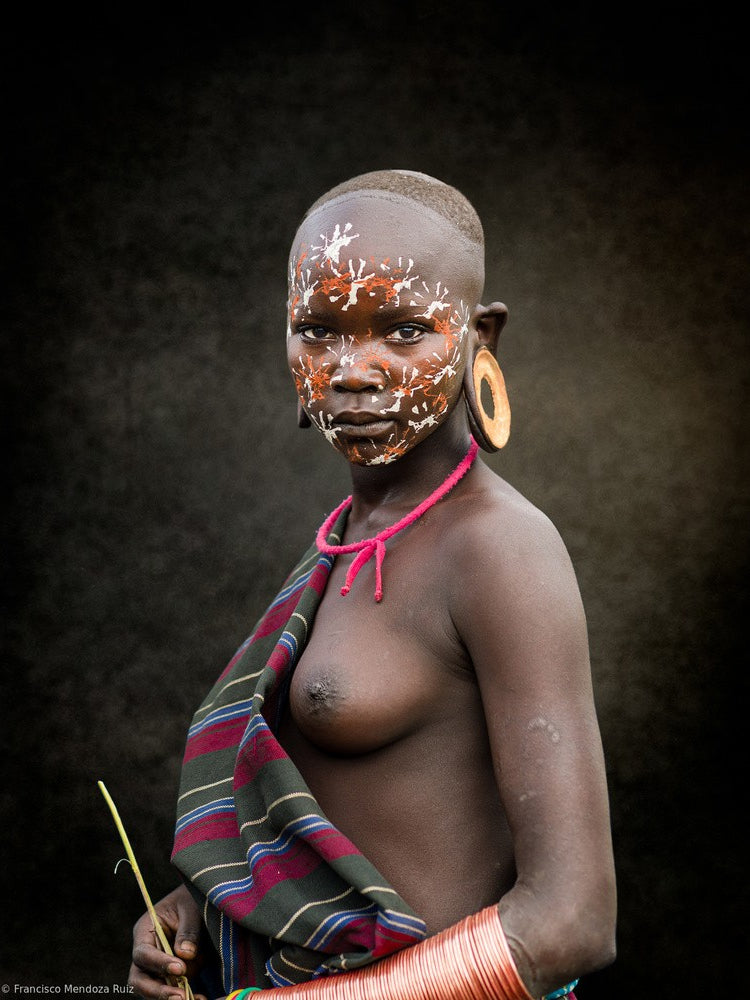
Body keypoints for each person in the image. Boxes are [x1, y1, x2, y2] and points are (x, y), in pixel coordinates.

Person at [128, 169, 617, 1000]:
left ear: (479, 338)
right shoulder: (344, 543)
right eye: (318, 331)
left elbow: (571, 922)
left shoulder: (501, 550)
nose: (353, 369)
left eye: (403, 329)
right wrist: (202, 913)